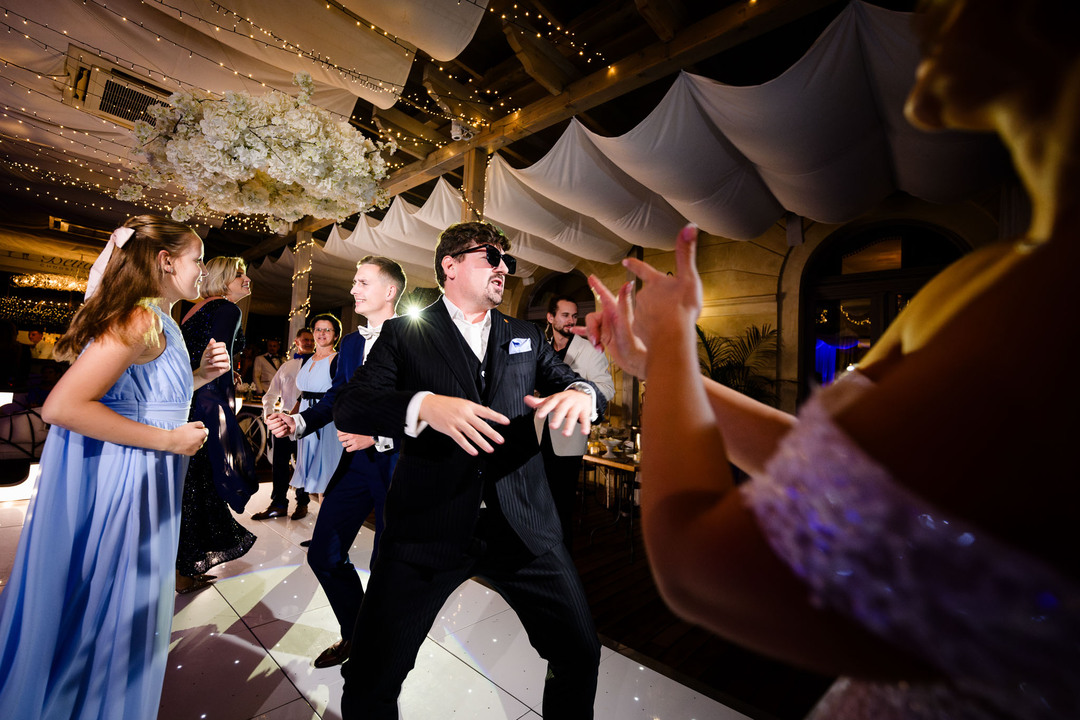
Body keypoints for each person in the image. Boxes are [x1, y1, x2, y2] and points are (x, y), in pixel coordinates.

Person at [576, 2, 1080, 718]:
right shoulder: (987, 274)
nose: (931, 12)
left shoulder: (1054, 303)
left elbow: (703, 567)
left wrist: (674, 350)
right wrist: (661, 361)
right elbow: (830, 478)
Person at [332, 222, 606, 719]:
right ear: (450, 265)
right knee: (373, 672)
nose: (504, 268)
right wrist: (424, 406)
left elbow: (576, 383)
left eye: (508, 261)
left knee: (579, 653)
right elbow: (352, 406)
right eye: (491, 257)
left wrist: (579, 396)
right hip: (427, 526)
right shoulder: (404, 332)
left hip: (523, 526)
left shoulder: (523, 335)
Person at [0, 215, 230, 720]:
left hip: (148, 474)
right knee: (112, 603)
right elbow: (64, 406)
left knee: (125, 604)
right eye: (196, 261)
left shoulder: (162, 319)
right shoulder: (138, 318)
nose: (202, 272)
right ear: (166, 261)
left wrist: (196, 376)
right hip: (127, 480)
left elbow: (140, 397)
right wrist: (170, 440)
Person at [267, 256, 406, 669]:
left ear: (389, 291)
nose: (353, 289)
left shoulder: (419, 338)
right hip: (354, 465)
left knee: (387, 566)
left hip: (398, 466)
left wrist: (378, 436)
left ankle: (378, 649)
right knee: (323, 554)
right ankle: (356, 631)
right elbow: (338, 397)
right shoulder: (350, 345)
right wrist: (297, 422)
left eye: (362, 282)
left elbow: (425, 407)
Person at [176, 256, 258, 594]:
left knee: (192, 488)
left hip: (189, 401)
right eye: (240, 274)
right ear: (224, 279)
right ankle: (185, 572)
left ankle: (183, 570)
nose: (247, 279)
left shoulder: (195, 309)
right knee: (204, 487)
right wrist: (226, 414)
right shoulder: (227, 309)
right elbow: (218, 360)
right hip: (209, 406)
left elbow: (196, 356)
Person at [534, 295, 614, 549]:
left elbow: (607, 388)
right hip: (537, 435)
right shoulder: (541, 347)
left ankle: (563, 560)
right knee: (538, 501)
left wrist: (578, 394)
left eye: (574, 315)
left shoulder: (590, 348)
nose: (571, 321)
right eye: (565, 315)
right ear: (551, 318)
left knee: (561, 504)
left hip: (568, 439)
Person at [253, 327, 315, 520]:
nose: (309, 343)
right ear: (296, 342)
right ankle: (278, 503)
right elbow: (271, 394)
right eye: (305, 339)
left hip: (307, 423)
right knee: (279, 464)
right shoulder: (286, 366)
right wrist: (270, 415)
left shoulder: (319, 365)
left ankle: (302, 504)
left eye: (311, 340)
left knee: (303, 465)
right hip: (284, 422)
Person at [289, 313, 343, 502]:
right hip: (305, 419)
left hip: (325, 421)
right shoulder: (307, 359)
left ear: (335, 335)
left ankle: (327, 520)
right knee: (312, 471)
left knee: (327, 472)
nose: (322, 333)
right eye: (318, 329)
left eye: (327, 330)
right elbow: (303, 393)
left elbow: (340, 393)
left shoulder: (337, 359)